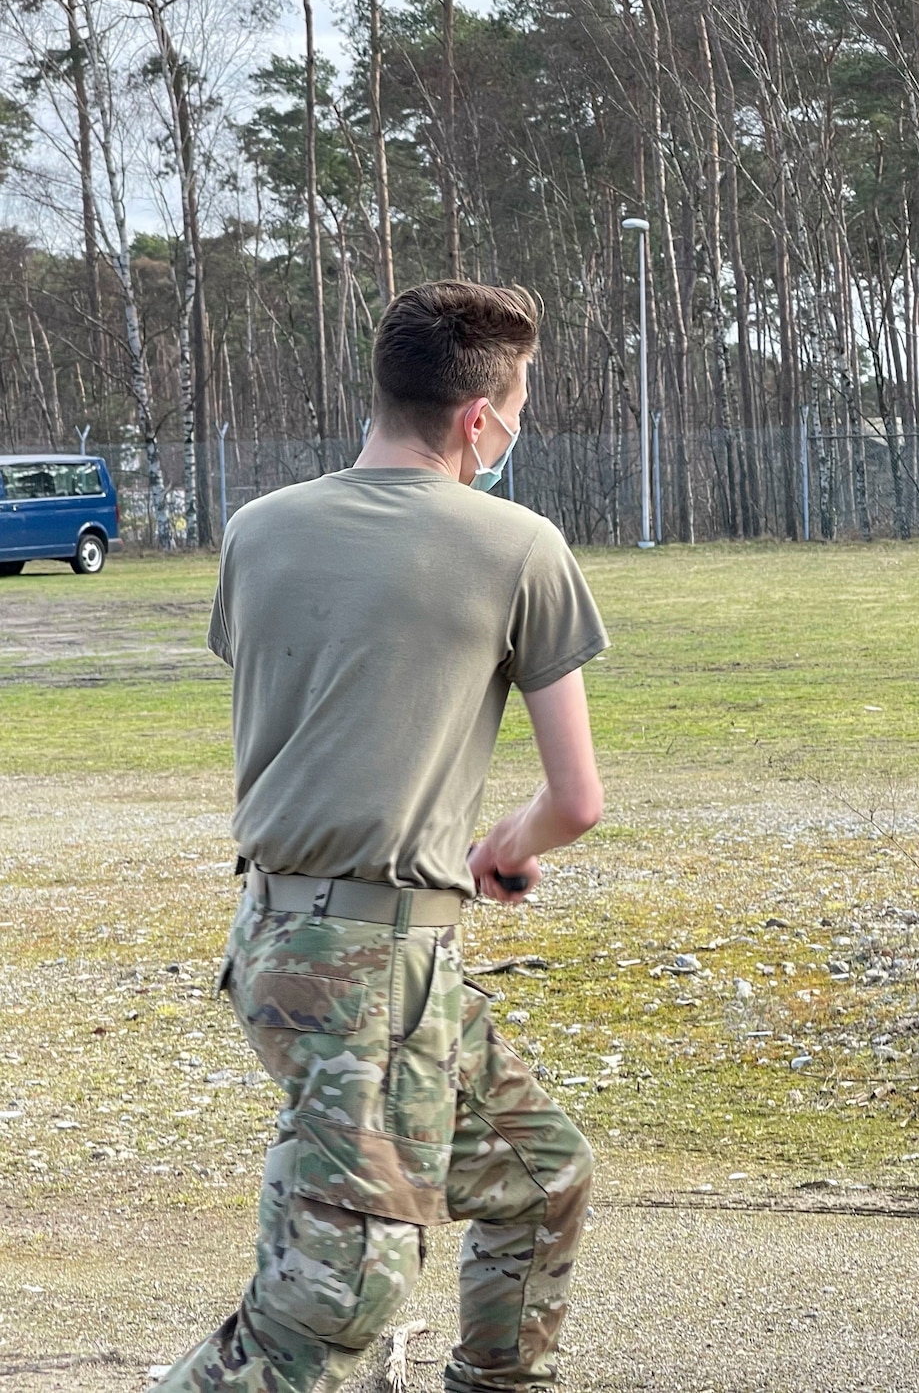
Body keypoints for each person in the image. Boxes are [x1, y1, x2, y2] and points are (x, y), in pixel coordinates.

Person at [158, 281, 610, 1391]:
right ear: (477, 419)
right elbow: (574, 799)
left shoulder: (258, 530)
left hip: (278, 939)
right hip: (372, 967)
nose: (515, 425)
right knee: (334, 1304)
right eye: (519, 404)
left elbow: (318, 703)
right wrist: (503, 847)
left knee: (539, 1177)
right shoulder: (516, 545)